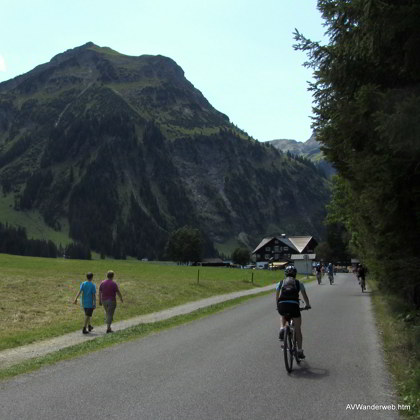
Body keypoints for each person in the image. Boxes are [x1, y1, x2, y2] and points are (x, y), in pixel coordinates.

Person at [276, 265, 311, 359]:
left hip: (282, 305)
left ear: (285, 274)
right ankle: (299, 351)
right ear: (295, 274)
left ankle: (282, 328)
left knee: (282, 315)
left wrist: (278, 306)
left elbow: (277, 296)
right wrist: (307, 305)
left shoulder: (281, 283)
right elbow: (305, 296)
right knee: (298, 329)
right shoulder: (298, 283)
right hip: (294, 306)